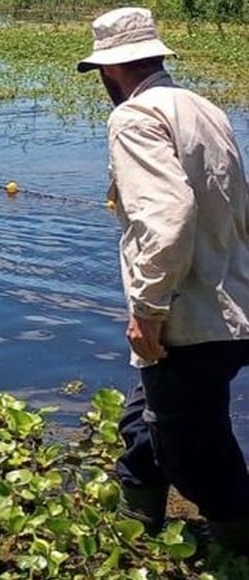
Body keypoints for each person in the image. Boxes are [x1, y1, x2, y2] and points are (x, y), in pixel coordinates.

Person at [77, 6, 249, 554]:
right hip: (231, 302)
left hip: (189, 314)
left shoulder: (134, 116)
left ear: (109, 69)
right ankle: (137, 524)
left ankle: (238, 541)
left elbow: (167, 218)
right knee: (145, 423)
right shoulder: (203, 108)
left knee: (192, 448)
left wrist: (147, 311)